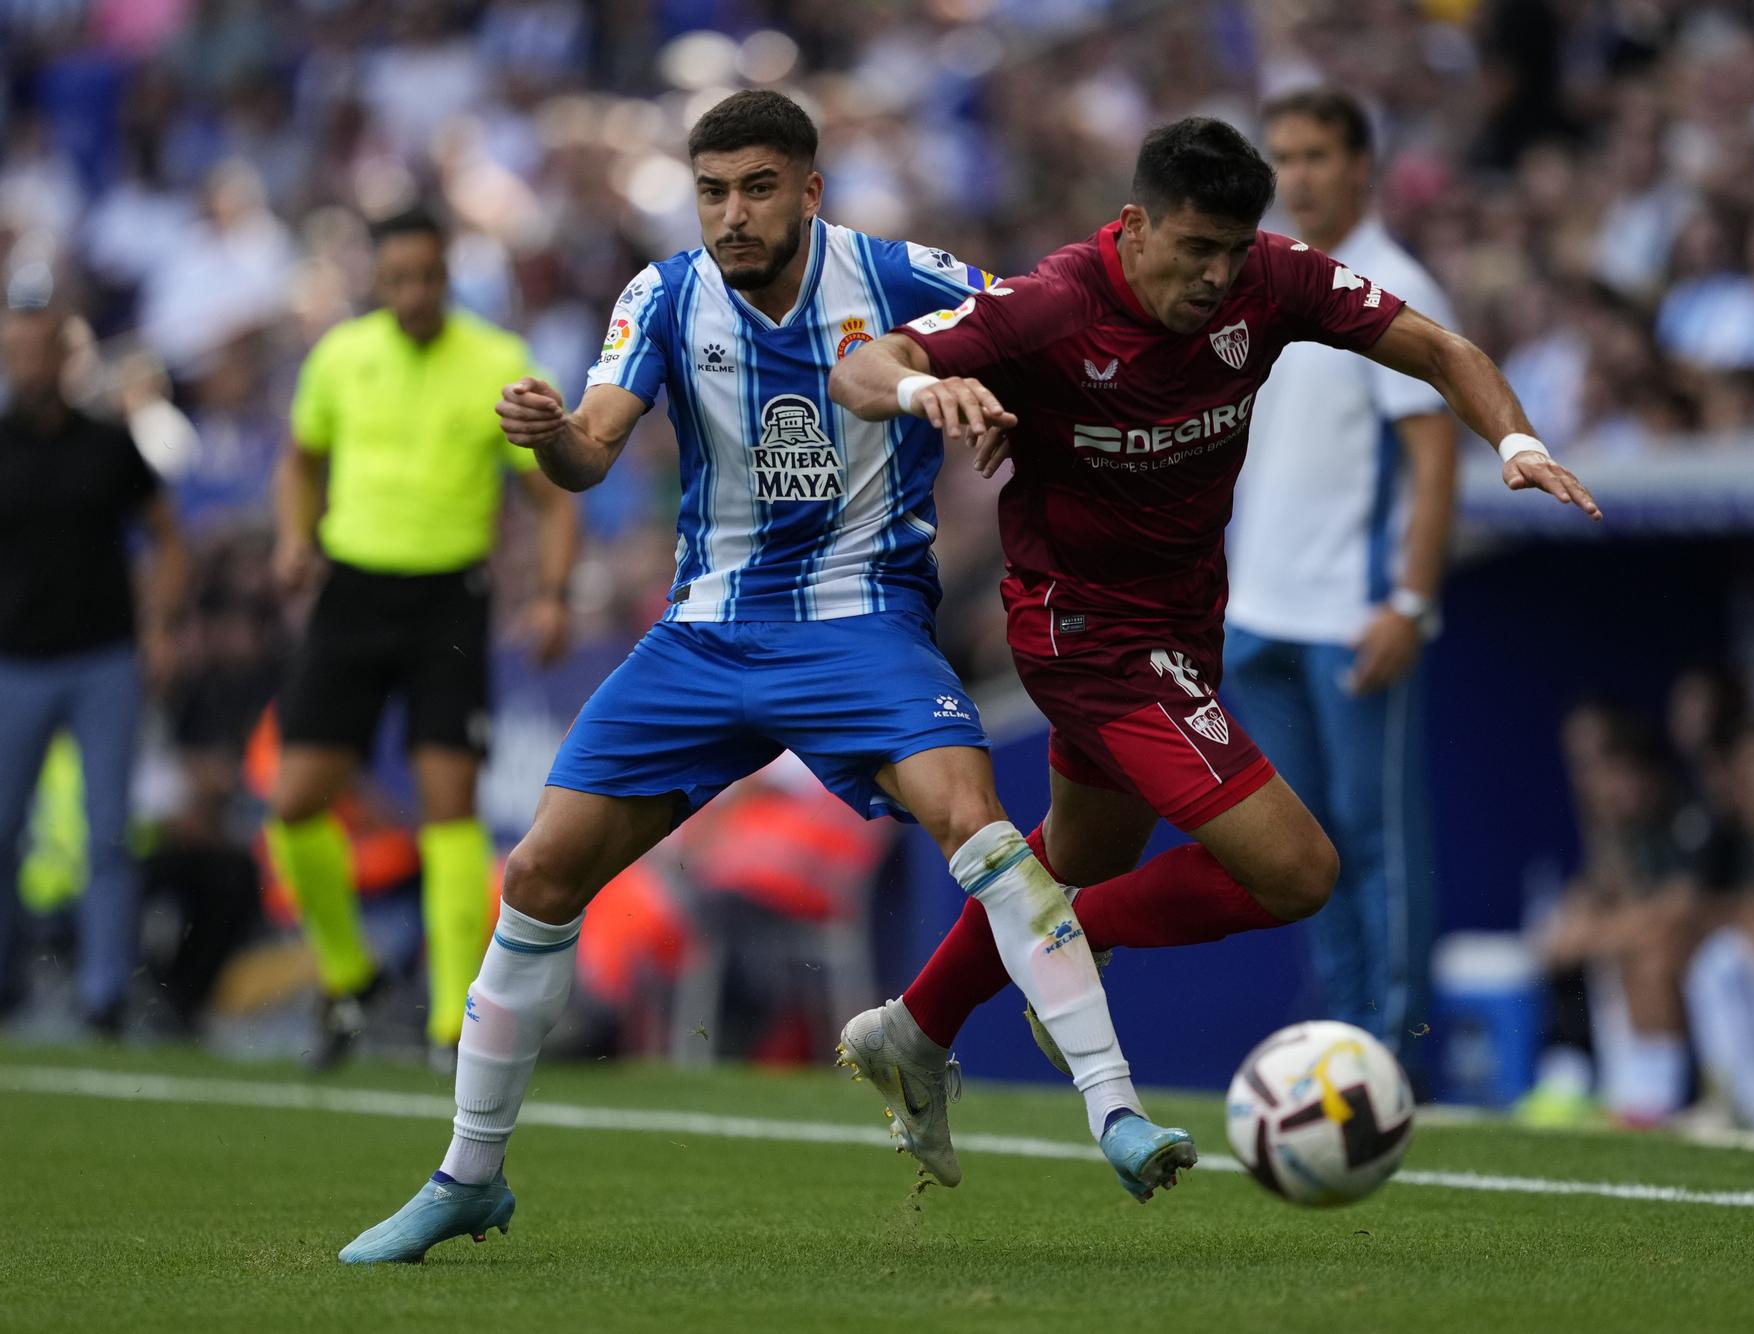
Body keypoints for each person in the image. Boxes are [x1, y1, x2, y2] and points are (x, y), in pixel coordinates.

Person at [339, 91, 1188, 1267]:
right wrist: (547, 435)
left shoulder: (897, 275)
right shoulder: (665, 291)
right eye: (711, 191)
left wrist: (1006, 403)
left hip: (860, 627)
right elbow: (591, 449)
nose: (730, 215)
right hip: (703, 636)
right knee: (535, 870)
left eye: (754, 188)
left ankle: (1114, 1106)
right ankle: (466, 1175)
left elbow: (1037, 333)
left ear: (808, 190)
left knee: (975, 820)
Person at [829, 116, 1598, 1173]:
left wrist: (1513, 439)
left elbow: (1439, 349)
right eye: (1194, 247)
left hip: (1185, 619)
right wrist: (926, 388)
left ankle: (913, 1028)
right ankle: (1069, 941)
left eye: (1232, 248)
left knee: (1083, 856)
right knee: (1297, 870)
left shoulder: (1271, 282)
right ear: (1134, 224)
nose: (1214, 273)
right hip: (1082, 628)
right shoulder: (1054, 303)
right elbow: (867, 366)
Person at [265, 208, 580, 1072]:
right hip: (352, 587)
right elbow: (300, 458)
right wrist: (294, 539)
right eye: (397, 278)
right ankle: (348, 978)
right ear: (377, 278)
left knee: (450, 808)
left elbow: (552, 496)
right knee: (295, 802)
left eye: (427, 278)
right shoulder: (341, 356)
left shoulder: (498, 362)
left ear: (447, 276)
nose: (413, 294)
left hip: (448, 596)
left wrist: (552, 596)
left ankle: (451, 1021)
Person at [1223, 89, 1460, 1064]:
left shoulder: (1394, 287)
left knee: (1374, 840)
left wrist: (1408, 600)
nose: (1301, 175)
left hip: (1348, 615)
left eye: (1318, 154)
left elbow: (1436, 457)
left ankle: (1390, 1054)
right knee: (1302, 857)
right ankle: (1344, 1041)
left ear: (1362, 164)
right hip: (1257, 614)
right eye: (1284, 156)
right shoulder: (1257, 281)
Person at [0, 283, 187, 1033]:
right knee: (1, 829)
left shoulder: (109, 443)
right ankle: (8, 984)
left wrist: (161, 624)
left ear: (65, 355)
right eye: (14, 348)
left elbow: (168, 536)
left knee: (109, 832)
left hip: (104, 658)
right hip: (13, 658)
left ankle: (104, 993)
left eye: (38, 347)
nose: (26, 362)